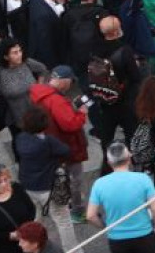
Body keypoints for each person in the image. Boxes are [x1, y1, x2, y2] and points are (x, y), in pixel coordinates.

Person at [30, 66, 90, 221]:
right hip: (68, 146)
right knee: (76, 179)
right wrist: (82, 114)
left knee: (59, 176)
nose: (71, 85)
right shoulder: (56, 101)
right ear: (64, 81)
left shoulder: (39, 92)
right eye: (70, 81)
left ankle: (61, 201)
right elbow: (70, 125)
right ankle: (76, 211)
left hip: (51, 144)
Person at [88, 143, 155, 253]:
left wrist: (105, 227)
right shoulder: (143, 179)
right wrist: (153, 225)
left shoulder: (99, 184)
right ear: (129, 159)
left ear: (109, 163)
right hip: (144, 234)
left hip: (117, 238)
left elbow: (90, 216)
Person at [0, 164, 36, 253]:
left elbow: (31, 208)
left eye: (6, 179)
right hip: (3, 248)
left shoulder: (17, 188)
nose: (4, 184)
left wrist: (26, 228)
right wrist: (10, 235)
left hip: (25, 243)